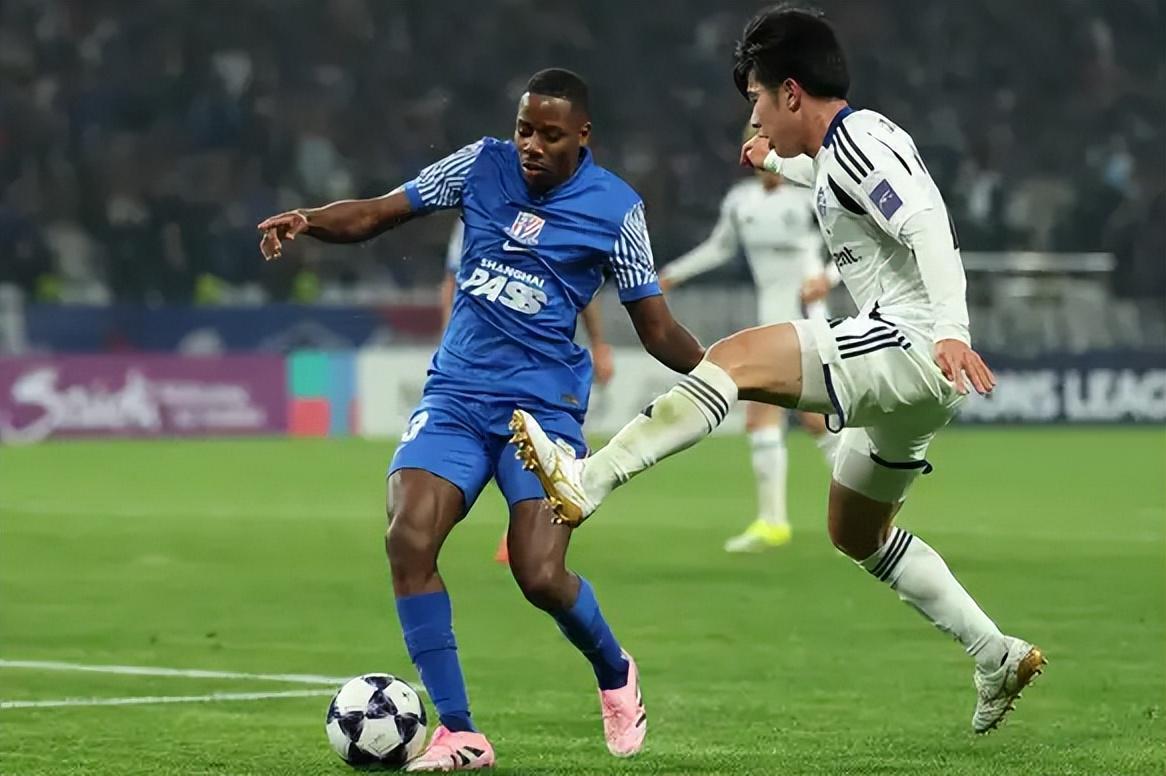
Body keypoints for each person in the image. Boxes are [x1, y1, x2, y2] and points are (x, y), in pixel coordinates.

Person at [509, 9, 1044, 735]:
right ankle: (995, 654)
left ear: (792, 92)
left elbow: (923, 223)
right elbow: (832, 178)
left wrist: (950, 330)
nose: (754, 116)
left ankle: (589, 480)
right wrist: (775, 163)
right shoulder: (846, 149)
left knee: (732, 358)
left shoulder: (858, 142)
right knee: (857, 533)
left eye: (758, 98)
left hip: (911, 343)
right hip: (916, 379)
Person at [259, 68, 704, 770]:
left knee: (539, 574)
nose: (531, 145)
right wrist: (309, 220)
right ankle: (460, 732)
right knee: (408, 538)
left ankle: (615, 670)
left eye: (549, 135)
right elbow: (380, 211)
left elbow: (655, 327)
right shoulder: (480, 165)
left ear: (581, 136)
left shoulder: (617, 210)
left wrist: (724, 374)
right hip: (457, 396)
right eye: (525, 129)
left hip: (544, 412)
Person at [659, 130, 840, 552]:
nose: (766, 155)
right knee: (795, 419)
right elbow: (719, 248)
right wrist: (672, 274)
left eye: (774, 145)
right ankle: (783, 520)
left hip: (808, 322)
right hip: (771, 322)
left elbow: (853, 244)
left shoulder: (809, 196)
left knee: (791, 419)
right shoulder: (742, 203)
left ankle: (792, 520)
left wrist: (827, 278)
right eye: (759, 146)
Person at [441, 220, 615, 565]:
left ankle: (541, 502)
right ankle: (528, 511)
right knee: (493, 441)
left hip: (540, 360)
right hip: (480, 357)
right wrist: (452, 338)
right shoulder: (475, 214)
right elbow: (453, 280)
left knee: (535, 437)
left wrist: (599, 344)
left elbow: (581, 291)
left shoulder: (562, 219)